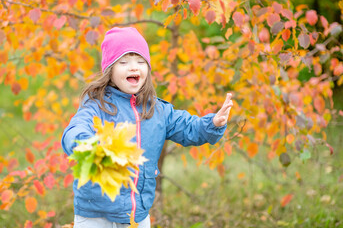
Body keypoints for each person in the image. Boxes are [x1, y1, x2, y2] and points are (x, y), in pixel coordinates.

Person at [61, 27, 233, 228]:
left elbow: (188, 128)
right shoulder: (97, 106)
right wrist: (87, 145)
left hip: (138, 212)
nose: (133, 67)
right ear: (110, 70)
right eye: (124, 62)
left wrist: (212, 123)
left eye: (140, 61)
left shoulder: (157, 110)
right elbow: (75, 130)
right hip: (95, 212)